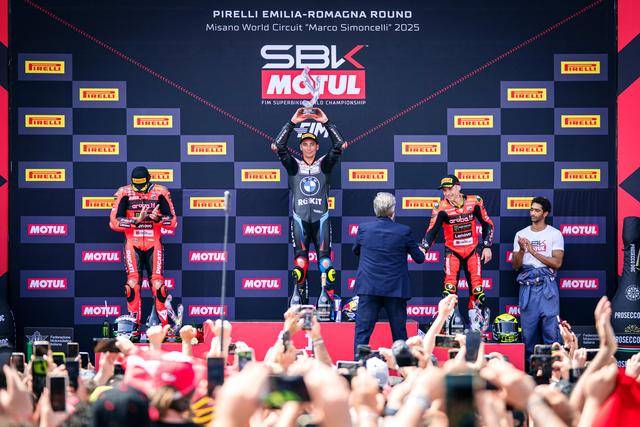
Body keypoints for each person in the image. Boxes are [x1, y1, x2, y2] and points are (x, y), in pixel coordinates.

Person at [273, 107, 345, 302]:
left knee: (326, 264)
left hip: (321, 220)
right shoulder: (294, 166)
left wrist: (326, 122)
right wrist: (292, 122)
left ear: (317, 146)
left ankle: (326, 300)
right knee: (300, 264)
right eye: (305, 144)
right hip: (300, 220)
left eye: (312, 144)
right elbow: (279, 146)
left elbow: (339, 144)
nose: (309, 148)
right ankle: (300, 299)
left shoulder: (324, 165)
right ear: (301, 147)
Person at [109, 166, 180, 339]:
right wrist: (135, 220)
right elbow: (114, 222)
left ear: (148, 180)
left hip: (153, 243)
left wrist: (158, 218)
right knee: (132, 285)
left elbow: (173, 222)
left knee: (158, 285)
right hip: (132, 243)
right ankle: (133, 328)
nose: (139, 189)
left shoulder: (161, 192)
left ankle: (164, 328)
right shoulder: (124, 192)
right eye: (136, 185)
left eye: (142, 185)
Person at [352, 192, 425, 355]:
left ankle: (358, 367)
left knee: (362, 334)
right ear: (393, 210)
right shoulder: (403, 231)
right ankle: (404, 368)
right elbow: (419, 258)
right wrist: (422, 250)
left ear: (375, 210)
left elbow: (356, 250)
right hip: (395, 290)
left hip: (369, 289)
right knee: (399, 336)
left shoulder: (363, 229)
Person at [421, 174, 494, 330]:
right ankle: (450, 322)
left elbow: (487, 224)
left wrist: (487, 245)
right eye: (444, 190)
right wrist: (424, 248)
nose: (447, 193)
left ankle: (476, 325)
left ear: (458, 187)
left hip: (472, 251)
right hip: (452, 252)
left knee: (477, 290)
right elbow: (432, 231)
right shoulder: (441, 207)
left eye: (450, 189)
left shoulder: (474, 201)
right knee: (449, 289)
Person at [512, 196, 564, 359]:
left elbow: (557, 263)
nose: (532, 213)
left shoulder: (555, 234)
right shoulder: (521, 234)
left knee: (551, 332)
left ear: (545, 213)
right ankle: (531, 370)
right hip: (528, 287)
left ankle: (554, 369)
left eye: (537, 210)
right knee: (528, 334)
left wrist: (533, 252)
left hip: (547, 287)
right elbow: (516, 265)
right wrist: (522, 250)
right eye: (531, 209)